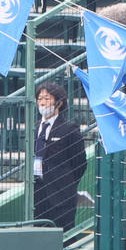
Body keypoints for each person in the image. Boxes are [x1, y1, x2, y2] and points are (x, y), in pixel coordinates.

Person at [32, 80, 86, 230]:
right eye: (40, 99)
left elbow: (79, 163)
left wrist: (66, 183)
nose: (42, 103)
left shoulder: (68, 129)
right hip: (38, 193)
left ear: (59, 103)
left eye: (47, 99)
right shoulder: (35, 128)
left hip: (61, 194)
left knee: (63, 234)